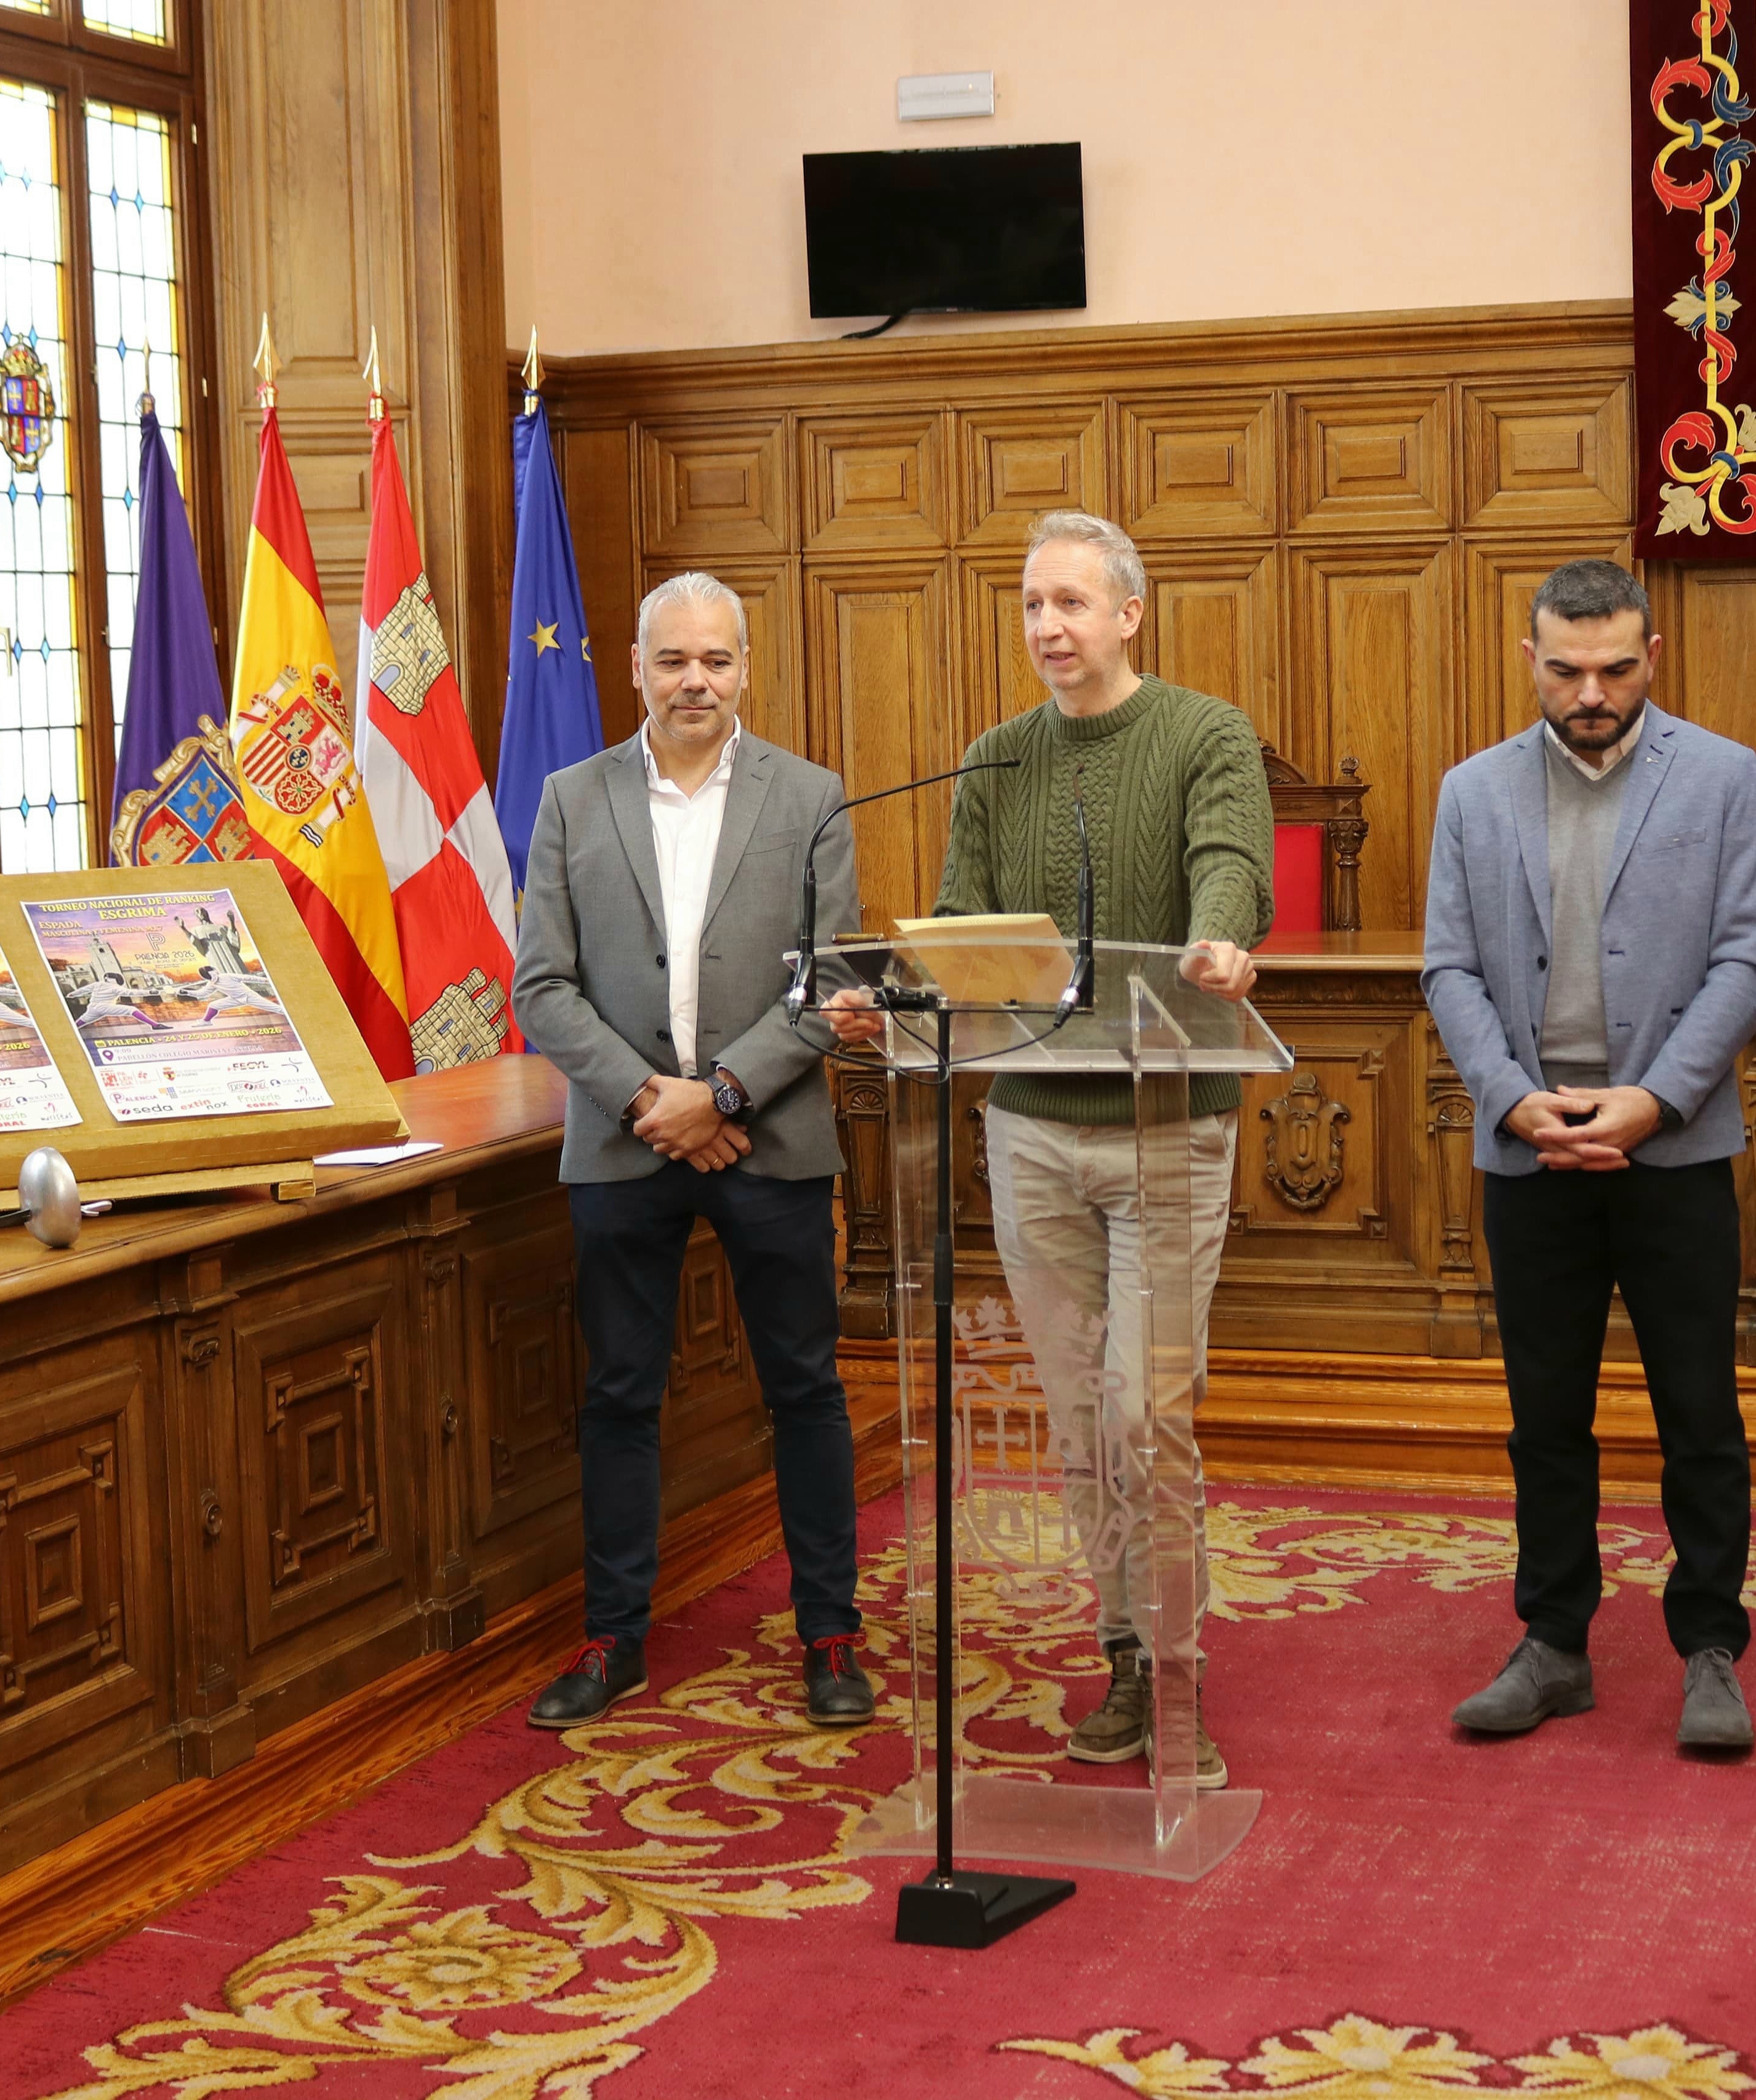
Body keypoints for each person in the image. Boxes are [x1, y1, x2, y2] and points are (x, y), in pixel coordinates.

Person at [833, 508, 1272, 1787]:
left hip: (1168, 1131)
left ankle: (1178, 1663)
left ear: (1129, 614)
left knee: (1148, 1414)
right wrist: (899, 995)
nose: (1047, 626)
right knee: (1082, 1423)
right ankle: (1128, 1648)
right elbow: (965, 923)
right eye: (1032, 604)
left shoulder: (1203, 734)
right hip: (1028, 1134)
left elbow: (1227, 863)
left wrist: (1217, 943)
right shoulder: (993, 758)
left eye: (1071, 603)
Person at [1421, 559, 1756, 1752]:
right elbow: (1449, 968)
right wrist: (1515, 1099)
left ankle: (1711, 1646)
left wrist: (1653, 1099)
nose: (1591, 691)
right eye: (1567, 668)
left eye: (1615, 668)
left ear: (1653, 653)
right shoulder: (1470, 792)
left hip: (1672, 1147)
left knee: (1698, 1409)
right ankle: (1554, 1643)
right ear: (1529, 657)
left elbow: (1749, 959)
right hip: (1528, 1147)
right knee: (1543, 1415)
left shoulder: (1722, 775)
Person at [513, 571, 873, 1730]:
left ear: (746, 669)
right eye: (673, 662)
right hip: (623, 1150)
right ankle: (613, 1637)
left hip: (771, 1140)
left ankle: (830, 1634)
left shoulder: (811, 798)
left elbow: (830, 988)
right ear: (636, 669)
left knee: (805, 1391)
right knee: (620, 1396)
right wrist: (652, 1103)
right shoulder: (572, 799)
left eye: (716, 660)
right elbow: (543, 988)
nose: (696, 682)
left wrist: (718, 1093)